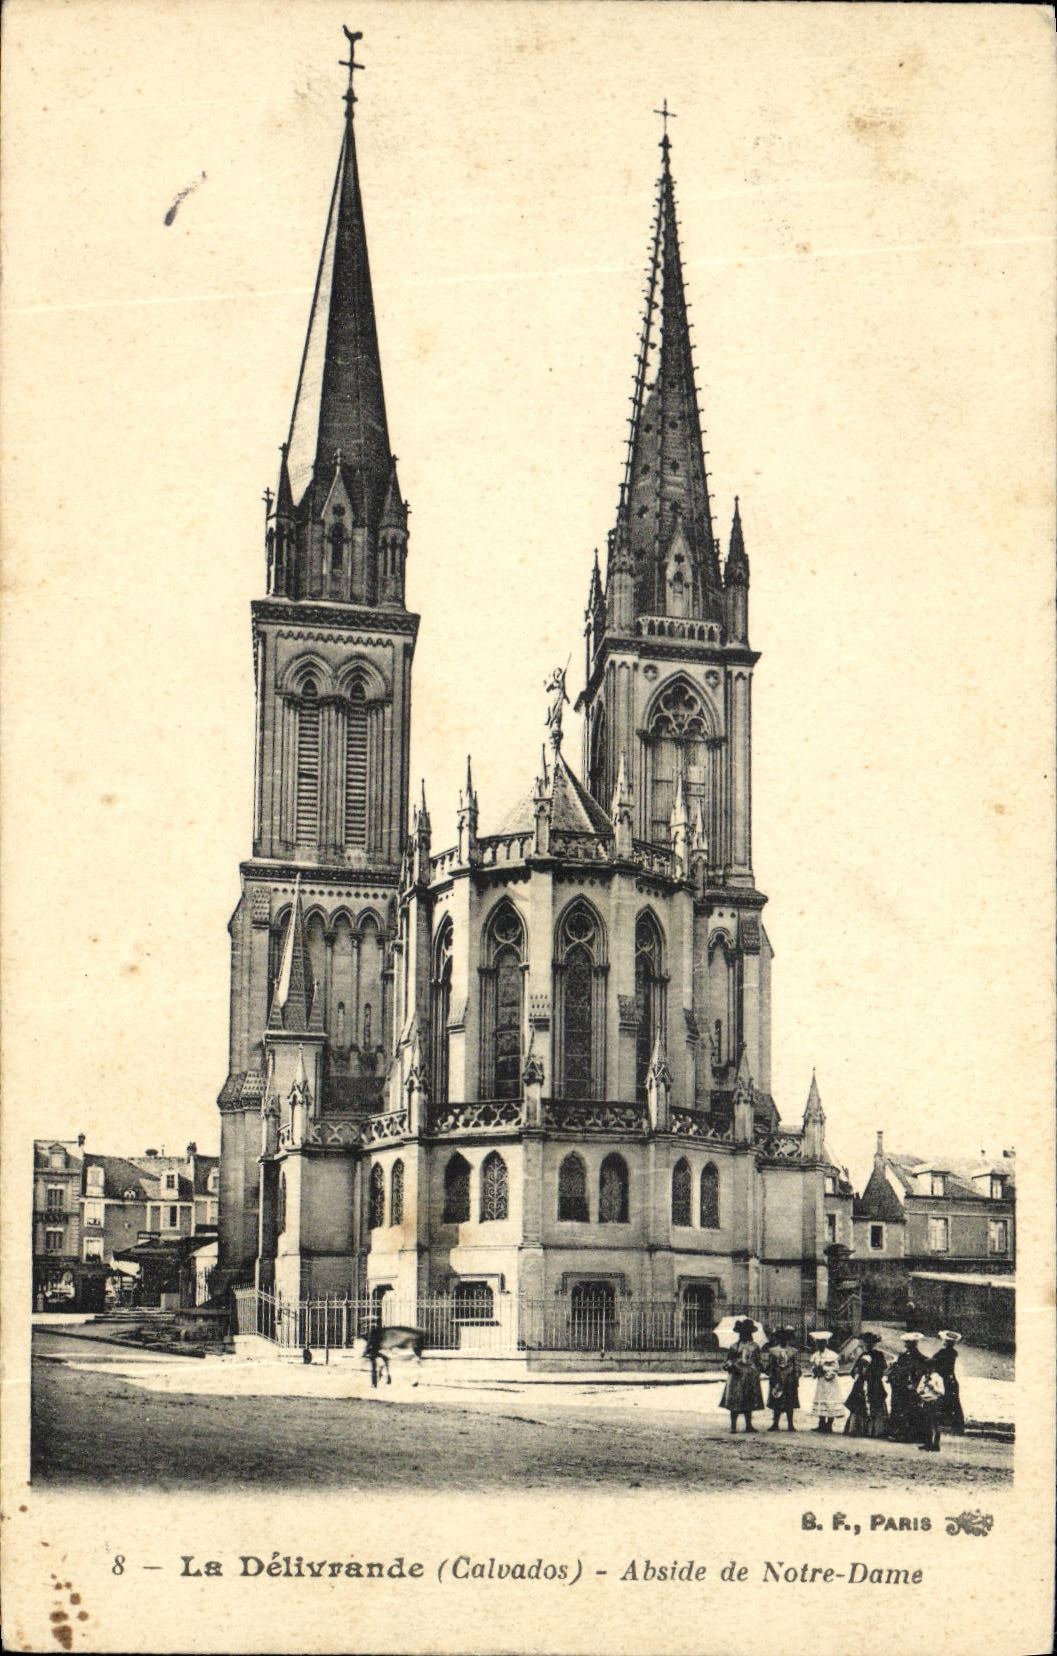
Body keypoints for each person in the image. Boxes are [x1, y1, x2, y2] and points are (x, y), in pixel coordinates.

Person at [721, 1318, 765, 1433]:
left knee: (748, 1399)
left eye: (747, 1333)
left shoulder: (755, 1346)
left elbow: (758, 1360)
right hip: (736, 1376)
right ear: (739, 1334)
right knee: (735, 1400)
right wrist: (730, 1365)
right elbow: (728, 1360)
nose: (745, 1335)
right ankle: (733, 1426)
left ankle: (749, 1425)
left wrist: (760, 1368)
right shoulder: (734, 1346)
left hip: (750, 1375)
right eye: (743, 1333)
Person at [843, 1331, 889, 1437]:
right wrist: (859, 1371)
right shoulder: (862, 1355)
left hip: (874, 1383)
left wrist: (870, 1371)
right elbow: (853, 1370)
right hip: (862, 1383)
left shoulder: (878, 1355)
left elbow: (882, 1369)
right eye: (866, 1343)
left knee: (875, 1403)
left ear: (874, 1344)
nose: (868, 1345)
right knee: (859, 1403)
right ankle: (859, 1428)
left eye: (870, 1343)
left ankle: (874, 1430)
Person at [887, 1332, 928, 1441]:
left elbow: (921, 1372)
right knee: (899, 1409)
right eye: (906, 1343)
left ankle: (908, 1435)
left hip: (910, 1388)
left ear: (914, 1344)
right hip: (899, 1386)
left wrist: (914, 1384)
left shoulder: (920, 1358)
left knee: (910, 1409)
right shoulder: (904, 1356)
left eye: (909, 1344)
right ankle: (898, 1432)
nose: (906, 1345)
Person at [806, 1331, 846, 1433]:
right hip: (821, 1382)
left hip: (830, 1382)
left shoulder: (831, 1355)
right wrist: (815, 1371)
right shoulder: (816, 1355)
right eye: (818, 1343)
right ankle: (822, 1423)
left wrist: (824, 1369)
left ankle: (829, 1425)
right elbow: (814, 1367)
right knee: (821, 1400)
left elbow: (835, 1368)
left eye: (822, 1343)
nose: (820, 1345)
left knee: (830, 1401)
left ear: (826, 1343)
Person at [764, 1326, 801, 1431]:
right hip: (777, 1379)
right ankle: (775, 1423)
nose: (783, 1340)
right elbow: (770, 1366)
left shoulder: (793, 1351)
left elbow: (796, 1365)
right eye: (781, 1338)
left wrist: (796, 1374)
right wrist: (771, 1375)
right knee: (777, 1401)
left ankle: (790, 1424)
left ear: (788, 1339)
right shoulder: (773, 1351)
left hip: (790, 1379)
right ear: (778, 1339)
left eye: (785, 1338)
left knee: (790, 1401)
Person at [931, 1330, 965, 1434]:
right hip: (950, 1379)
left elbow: (934, 1362)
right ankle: (955, 1424)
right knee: (953, 1401)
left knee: (946, 1400)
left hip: (944, 1380)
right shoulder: (952, 1352)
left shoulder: (943, 1352)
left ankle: (951, 1424)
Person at [916, 1361, 946, 1452]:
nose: (928, 1369)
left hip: (934, 1401)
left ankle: (936, 1445)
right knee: (926, 1423)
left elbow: (942, 1392)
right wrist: (921, 1390)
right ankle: (928, 1443)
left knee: (935, 1424)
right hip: (925, 1401)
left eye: (930, 1367)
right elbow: (918, 1389)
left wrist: (933, 1387)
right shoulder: (924, 1377)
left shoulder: (938, 1378)